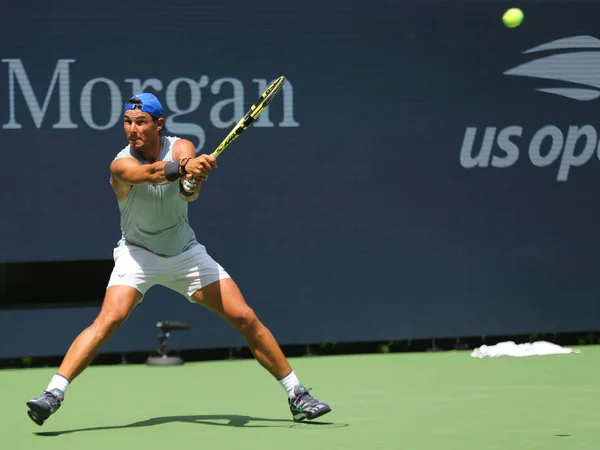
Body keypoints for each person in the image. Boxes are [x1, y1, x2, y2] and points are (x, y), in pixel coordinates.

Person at [25, 93, 331, 426]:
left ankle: (297, 394)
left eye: (140, 122)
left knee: (245, 317)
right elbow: (153, 174)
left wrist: (192, 178)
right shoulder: (120, 164)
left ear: (158, 124)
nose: (132, 129)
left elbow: (188, 192)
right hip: (137, 255)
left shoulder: (181, 146)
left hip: (185, 253)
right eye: (127, 122)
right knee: (109, 319)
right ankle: (53, 393)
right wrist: (186, 167)